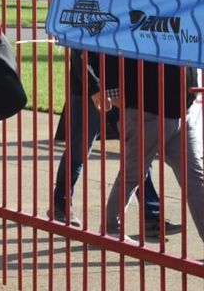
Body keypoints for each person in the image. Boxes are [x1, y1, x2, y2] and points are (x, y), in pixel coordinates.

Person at [49, 49, 181, 238]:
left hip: (118, 88)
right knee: (79, 150)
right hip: (89, 89)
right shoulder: (88, 18)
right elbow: (77, 49)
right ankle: (60, 205)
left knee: (138, 150)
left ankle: (152, 216)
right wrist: (94, 87)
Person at [97, 56, 204, 243]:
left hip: (183, 111)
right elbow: (109, 53)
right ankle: (110, 229)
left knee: (195, 177)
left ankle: (110, 228)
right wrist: (112, 92)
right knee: (132, 174)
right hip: (148, 110)